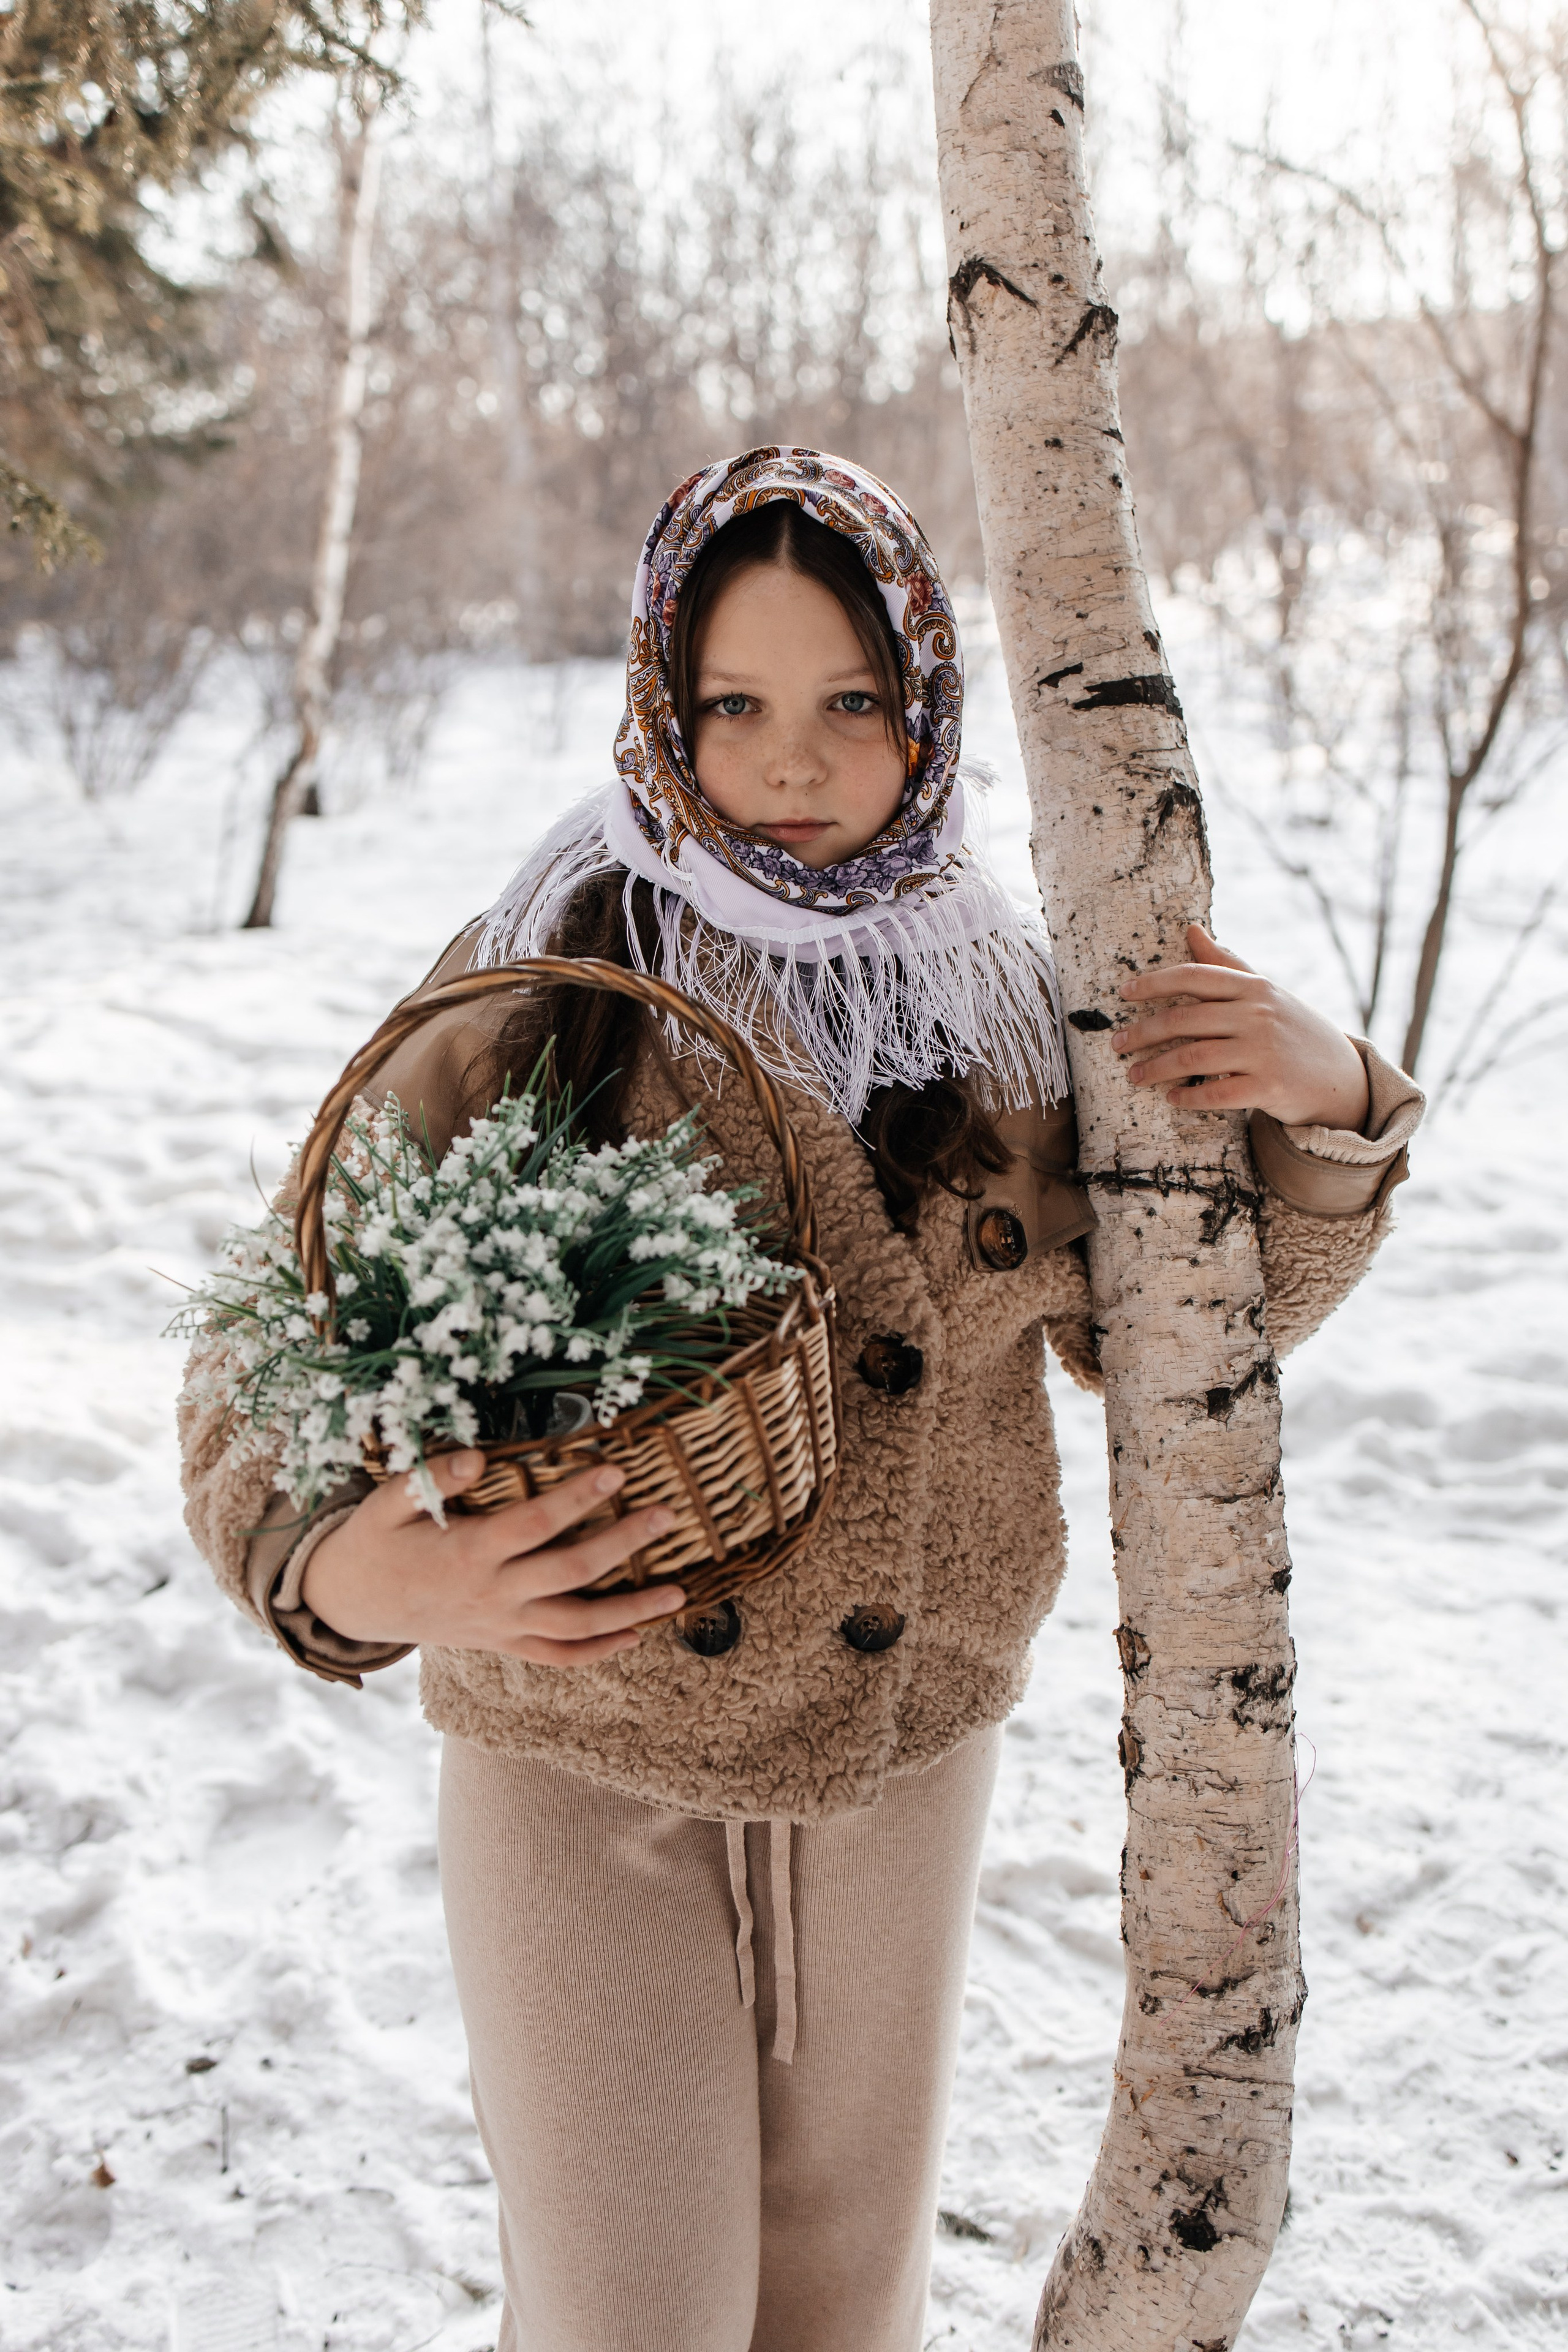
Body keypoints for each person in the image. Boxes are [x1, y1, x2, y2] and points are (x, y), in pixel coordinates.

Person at [179, 447, 1423, 2352]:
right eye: (734, 705)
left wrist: (1329, 1104)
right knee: (634, 2311)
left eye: (852, 702)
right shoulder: (553, 980)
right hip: (582, 1747)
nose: (793, 762)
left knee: (842, 2304)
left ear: (927, 705)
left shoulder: (1007, 1004)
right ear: (662, 709)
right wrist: (356, 1573)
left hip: (899, 1751)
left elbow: (1175, 1334)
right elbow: (273, 1336)